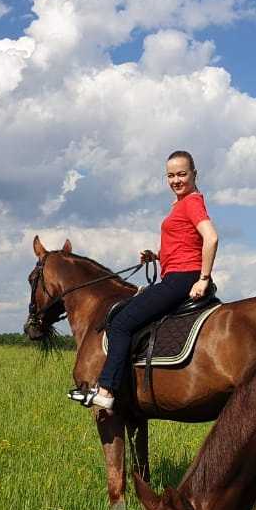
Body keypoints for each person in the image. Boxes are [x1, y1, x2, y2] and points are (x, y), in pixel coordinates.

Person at [69, 150, 219, 410]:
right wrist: (157, 256)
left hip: (183, 278)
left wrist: (203, 278)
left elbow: (211, 237)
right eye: (171, 175)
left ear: (195, 174)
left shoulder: (192, 202)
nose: (176, 180)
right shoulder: (180, 205)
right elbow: (185, 244)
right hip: (176, 273)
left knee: (121, 322)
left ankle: (106, 389)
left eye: (182, 174)